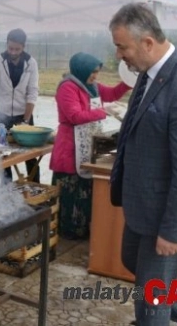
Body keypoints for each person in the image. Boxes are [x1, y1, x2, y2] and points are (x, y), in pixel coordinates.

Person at [109, 3, 177, 325]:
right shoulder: (148, 74)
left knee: (151, 297)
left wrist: (173, 232)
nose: (119, 55)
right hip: (144, 203)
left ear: (147, 43)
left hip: (166, 212)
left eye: (122, 46)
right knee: (133, 261)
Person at [49, 52, 131, 240]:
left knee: (85, 189)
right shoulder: (67, 88)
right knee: (71, 190)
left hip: (87, 142)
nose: (95, 76)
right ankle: (66, 231)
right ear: (82, 69)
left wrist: (128, 81)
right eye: (93, 72)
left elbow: (112, 94)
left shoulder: (91, 87)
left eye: (97, 72)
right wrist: (103, 112)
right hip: (70, 147)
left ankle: (83, 229)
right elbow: (74, 116)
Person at [0, 28, 40, 183]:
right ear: (6, 44)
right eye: (10, 48)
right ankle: (6, 190)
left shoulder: (31, 63)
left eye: (17, 49)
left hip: (23, 115)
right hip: (2, 115)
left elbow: (32, 92)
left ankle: (34, 187)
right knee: (3, 156)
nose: (13, 52)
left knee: (30, 156)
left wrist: (25, 121)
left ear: (23, 47)